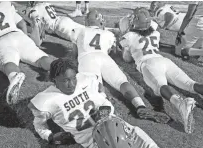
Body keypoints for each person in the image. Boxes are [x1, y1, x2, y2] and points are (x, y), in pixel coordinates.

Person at [28, 58, 159, 148]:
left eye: (73, 78)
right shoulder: (47, 100)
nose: (72, 84)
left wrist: (101, 114)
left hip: (119, 127)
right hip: (94, 140)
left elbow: (105, 102)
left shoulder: (86, 80)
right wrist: (50, 136)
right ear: (54, 79)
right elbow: (39, 124)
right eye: (65, 80)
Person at [71, 10, 170, 123]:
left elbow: (74, 54)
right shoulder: (108, 34)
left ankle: (102, 108)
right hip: (104, 58)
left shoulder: (78, 30)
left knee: (93, 85)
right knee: (122, 82)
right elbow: (112, 51)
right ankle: (140, 106)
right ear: (101, 21)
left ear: (86, 20)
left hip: (87, 58)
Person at [119, 7, 203, 134]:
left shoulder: (129, 36)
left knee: (160, 86)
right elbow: (150, 26)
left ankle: (180, 104)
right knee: (190, 84)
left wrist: (125, 41)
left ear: (135, 21)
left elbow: (127, 59)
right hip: (164, 61)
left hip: (148, 63)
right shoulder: (155, 33)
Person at [0, 2, 54, 104]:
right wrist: (25, 40)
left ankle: (15, 75)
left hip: (0, 40)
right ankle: (57, 68)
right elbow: (22, 24)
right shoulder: (5, 5)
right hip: (18, 35)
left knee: (9, 62)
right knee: (40, 58)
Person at [21, 2, 85, 46]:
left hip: (58, 27)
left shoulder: (34, 10)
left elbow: (38, 27)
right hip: (63, 19)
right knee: (87, 30)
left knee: (80, 39)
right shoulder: (45, 3)